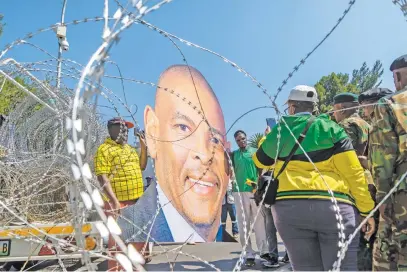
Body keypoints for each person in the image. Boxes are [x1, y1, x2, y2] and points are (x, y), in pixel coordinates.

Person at [253, 85, 375, 271]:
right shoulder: (332, 129)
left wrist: (265, 139)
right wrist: (367, 210)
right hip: (334, 206)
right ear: (314, 108)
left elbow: (260, 160)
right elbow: (354, 174)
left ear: (292, 107)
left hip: (289, 210)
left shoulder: (280, 132)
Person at [119, 65, 229, 243]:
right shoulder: (127, 237)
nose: (204, 154)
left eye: (215, 139)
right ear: (153, 133)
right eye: (183, 128)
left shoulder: (228, 247)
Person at [94, 117, 148, 270]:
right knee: (119, 240)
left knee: (137, 238)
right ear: (112, 129)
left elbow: (142, 166)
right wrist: (114, 201)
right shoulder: (104, 150)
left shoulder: (129, 149)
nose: (126, 132)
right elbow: (102, 176)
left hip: (136, 201)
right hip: (118, 202)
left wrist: (143, 147)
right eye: (123, 129)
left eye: (127, 129)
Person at [370, 54, 407, 271]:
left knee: (395, 257)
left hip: (402, 195)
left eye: (395, 77)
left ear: (400, 76)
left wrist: (382, 198)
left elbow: (383, 157)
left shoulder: (390, 104)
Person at [332, 93, 377, 270]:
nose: (334, 115)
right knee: (370, 232)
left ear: (341, 109)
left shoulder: (346, 125)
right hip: (370, 181)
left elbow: (345, 158)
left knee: (356, 236)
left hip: (353, 186)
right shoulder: (367, 123)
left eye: (334, 110)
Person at [358, 87, 397, 271]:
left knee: (384, 255)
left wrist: (382, 202)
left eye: (365, 107)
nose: (364, 112)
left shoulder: (380, 122)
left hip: (392, 198)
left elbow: (384, 166)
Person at [231, 129, 268, 267]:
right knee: (243, 224)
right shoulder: (233, 155)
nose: (241, 141)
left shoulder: (254, 152)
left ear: (246, 138)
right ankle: (249, 253)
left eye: (243, 138)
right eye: (238, 140)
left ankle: (264, 251)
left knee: (259, 222)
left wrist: (258, 184)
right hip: (239, 193)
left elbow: (260, 169)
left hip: (254, 192)